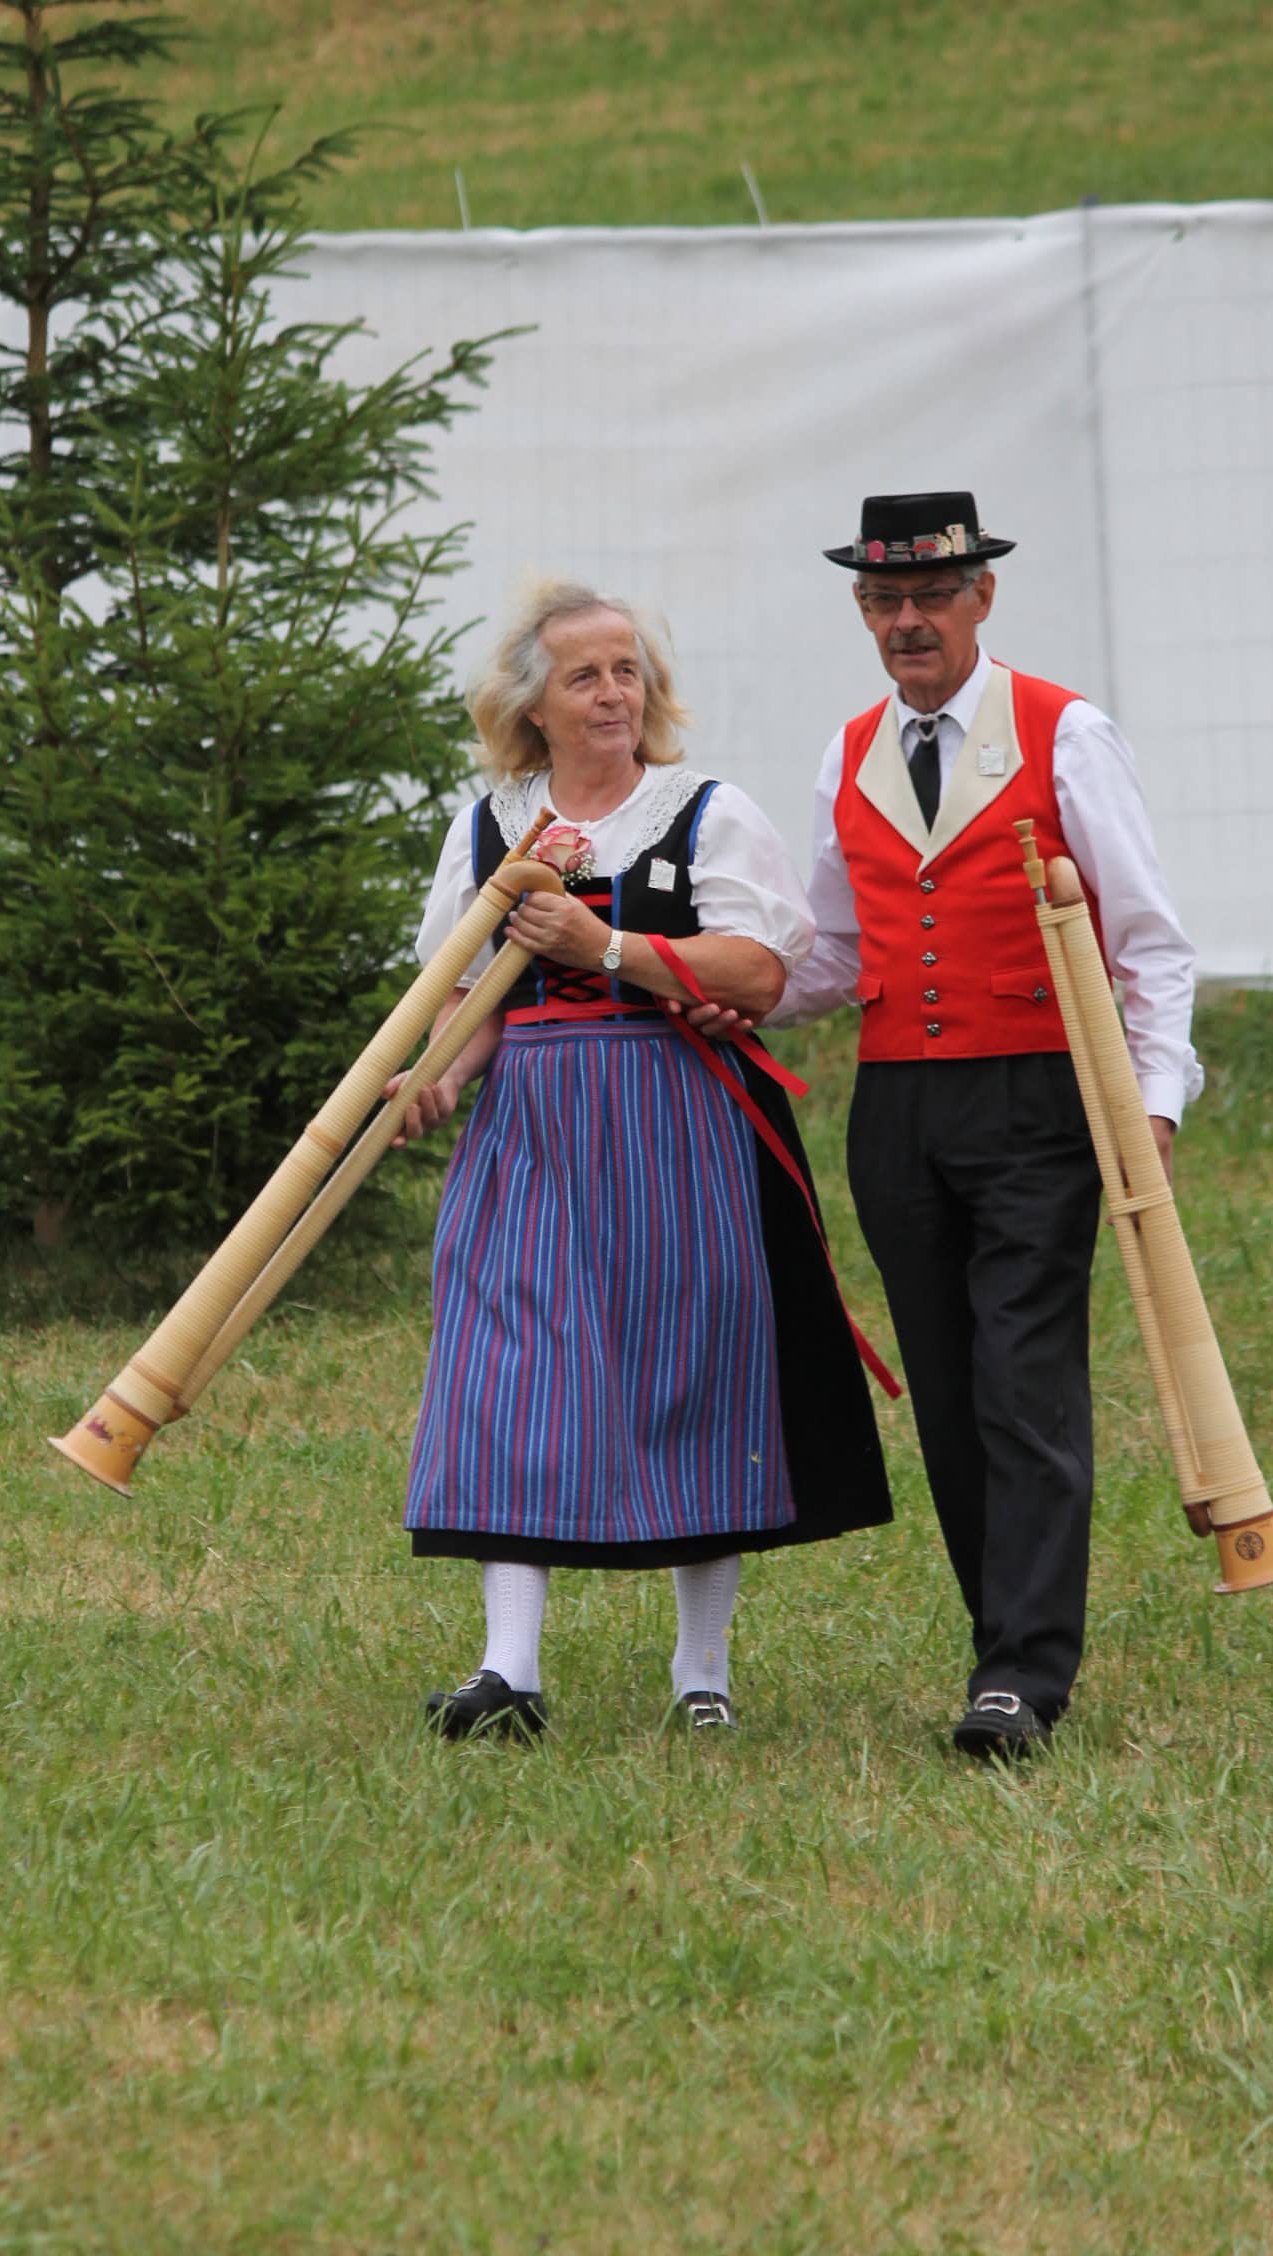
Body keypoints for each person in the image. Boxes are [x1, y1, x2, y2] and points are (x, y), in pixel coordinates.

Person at [391, 578, 892, 1739]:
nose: (613, 693)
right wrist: (435, 1078)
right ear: (534, 706)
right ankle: (509, 1671)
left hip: (676, 1123)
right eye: (585, 676)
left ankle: (700, 1672)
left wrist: (606, 943)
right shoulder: (490, 827)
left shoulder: (704, 812)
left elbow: (759, 973)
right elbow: (464, 995)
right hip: (529, 1128)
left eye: (627, 671)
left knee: (694, 1375)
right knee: (505, 1371)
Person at [768, 491, 1202, 1758]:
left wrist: (1153, 1105)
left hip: (1038, 1098)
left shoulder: (1065, 731)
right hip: (897, 1109)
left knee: (1023, 1382)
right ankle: (996, 1648)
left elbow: (1147, 941)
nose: (907, 621)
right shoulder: (847, 750)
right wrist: (698, 979)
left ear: (981, 598)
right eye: (883, 601)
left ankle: (1022, 1675)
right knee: (951, 1396)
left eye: (929, 598)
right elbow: (828, 952)